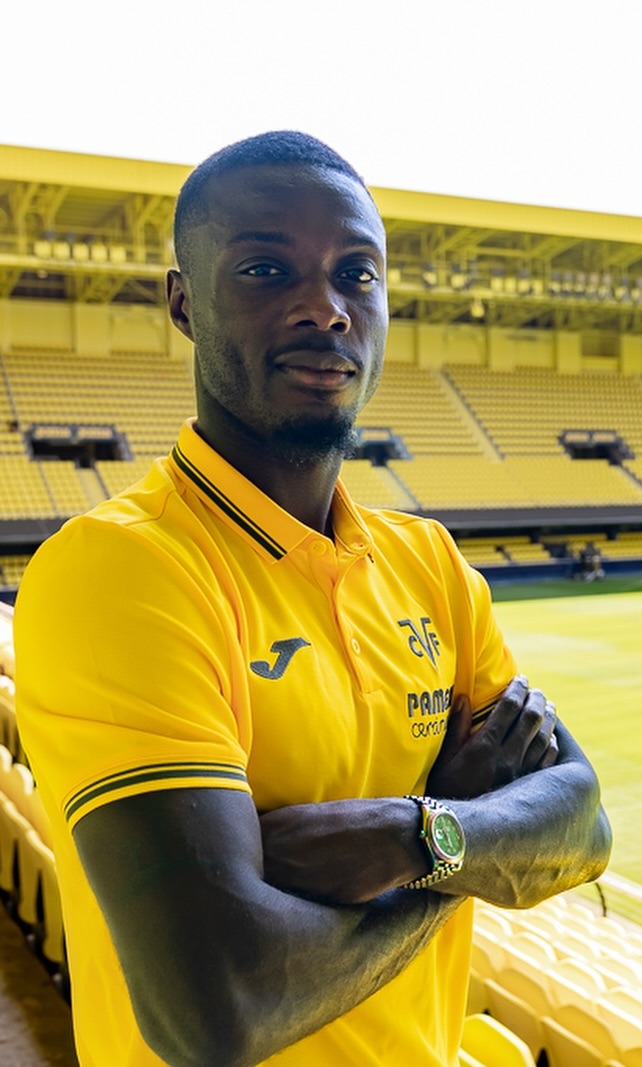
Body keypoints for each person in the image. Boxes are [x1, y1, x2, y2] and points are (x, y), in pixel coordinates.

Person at [13, 131, 611, 1067]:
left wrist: (412, 832)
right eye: (264, 268)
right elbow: (220, 1008)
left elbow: (581, 822)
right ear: (183, 303)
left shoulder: (431, 563)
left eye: (356, 275)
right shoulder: (119, 572)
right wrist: (458, 855)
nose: (324, 309)